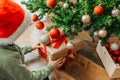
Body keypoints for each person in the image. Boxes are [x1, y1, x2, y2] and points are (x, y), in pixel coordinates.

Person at [0, 0, 64, 80]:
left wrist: (31, 48)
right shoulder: (9, 60)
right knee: (46, 78)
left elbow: (11, 50)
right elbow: (29, 78)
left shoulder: (4, 43)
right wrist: (50, 67)